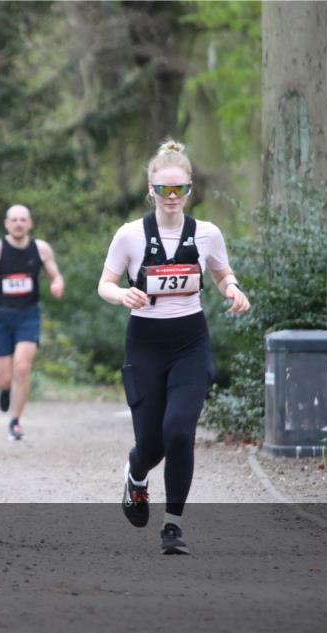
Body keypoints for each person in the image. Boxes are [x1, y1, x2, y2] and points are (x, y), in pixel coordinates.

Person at [97, 139, 250, 555]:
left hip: (190, 343)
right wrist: (122, 296)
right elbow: (105, 284)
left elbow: (221, 273)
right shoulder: (129, 235)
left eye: (178, 189)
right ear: (150, 190)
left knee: (179, 432)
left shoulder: (207, 234)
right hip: (144, 344)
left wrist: (233, 289)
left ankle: (173, 526)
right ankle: (136, 475)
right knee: (151, 445)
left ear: (189, 190)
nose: (170, 197)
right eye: (163, 190)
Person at [0, 204, 64, 440]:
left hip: (28, 315)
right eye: (14, 220)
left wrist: (57, 283)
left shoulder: (40, 249)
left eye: (23, 220)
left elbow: (55, 274)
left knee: (22, 367)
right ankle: (4, 390)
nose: (19, 224)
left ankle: (15, 420)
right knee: (4, 377)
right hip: (0, 316)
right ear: (7, 224)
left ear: (30, 223)